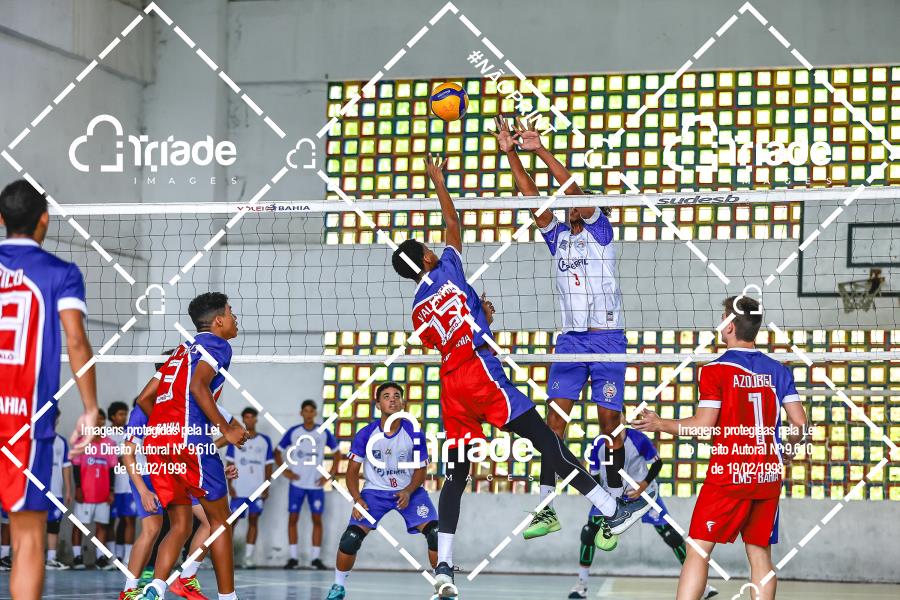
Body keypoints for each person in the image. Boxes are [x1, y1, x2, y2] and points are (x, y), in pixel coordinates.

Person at [390, 155, 650, 598]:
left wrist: (480, 318)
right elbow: (452, 221)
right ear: (429, 256)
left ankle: (444, 567)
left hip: (452, 385)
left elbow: (449, 336)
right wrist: (438, 179)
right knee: (548, 439)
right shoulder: (449, 266)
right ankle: (609, 507)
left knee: (456, 474)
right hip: (483, 376)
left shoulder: (416, 310)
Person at [493, 116, 629, 539]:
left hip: (607, 339)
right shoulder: (558, 238)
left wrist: (540, 149)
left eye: (576, 201)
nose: (570, 205)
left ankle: (613, 502)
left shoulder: (601, 231)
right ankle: (545, 507)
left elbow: (571, 190)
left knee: (610, 424)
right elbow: (531, 196)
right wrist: (512, 154)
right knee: (553, 426)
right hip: (570, 341)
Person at [635, 296, 809, 600]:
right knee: (760, 555)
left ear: (729, 326)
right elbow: (800, 424)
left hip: (729, 474)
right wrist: (787, 452)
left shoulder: (715, 370)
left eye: (722, 317)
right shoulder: (779, 370)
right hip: (767, 474)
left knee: (698, 550)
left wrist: (660, 423)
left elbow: (703, 426)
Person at [0, 179, 99, 599]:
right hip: (25, 422)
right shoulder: (61, 273)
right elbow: (75, 339)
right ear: (44, 219)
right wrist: (90, 408)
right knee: (27, 540)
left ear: (1, 219)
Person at [136, 292, 249, 600]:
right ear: (219, 321)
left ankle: (156, 588)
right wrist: (226, 428)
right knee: (221, 522)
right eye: (231, 312)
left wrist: (169, 428)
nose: (236, 317)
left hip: (158, 442)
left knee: (180, 525)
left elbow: (144, 399)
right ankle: (228, 597)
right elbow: (199, 386)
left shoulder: (181, 350)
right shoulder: (218, 344)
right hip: (188, 440)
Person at [568, 427, 718, 599]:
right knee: (589, 532)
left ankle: (701, 586)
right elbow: (594, 475)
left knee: (671, 535)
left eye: (616, 417)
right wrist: (598, 497)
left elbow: (657, 463)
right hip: (611, 496)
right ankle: (581, 585)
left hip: (643, 494)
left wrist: (644, 485)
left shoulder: (638, 439)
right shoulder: (599, 444)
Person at [325, 381, 438, 600]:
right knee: (350, 539)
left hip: (409, 491)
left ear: (403, 402)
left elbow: (421, 469)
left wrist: (408, 491)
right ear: (378, 404)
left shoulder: (414, 433)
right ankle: (338, 587)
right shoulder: (366, 434)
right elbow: (351, 472)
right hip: (374, 492)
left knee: (436, 533)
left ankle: (442, 587)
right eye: (386, 396)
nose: (392, 400)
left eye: (396, 396)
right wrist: (357, 499)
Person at [119, 398, 240, 599]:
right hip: (147, 475)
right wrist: (143, 491)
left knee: (212, 522)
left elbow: (232, 431)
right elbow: (127, 453)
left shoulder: (189, 402)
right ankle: (129, 590)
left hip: (177, 472)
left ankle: (186, 578)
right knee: (152, 528)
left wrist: (212, 470)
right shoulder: (145, 407)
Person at [275, 400, 342, 570]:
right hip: (297, 483)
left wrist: (330, 474)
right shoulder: (294, 432)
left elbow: (337, 453)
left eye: (311, 411)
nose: (309, 414)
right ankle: (293, 558)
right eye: (306, 410)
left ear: (315, 413)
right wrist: (285, 471)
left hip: (316, 484)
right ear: (301, 413)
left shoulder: (323, 432)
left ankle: (315, 559)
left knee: (317, 519)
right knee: (293, 518)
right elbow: (277, 451)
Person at [225, 407, 274, 569]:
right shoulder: (237, 438)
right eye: (246, 417)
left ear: (256, 419)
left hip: (257, 490)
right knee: (232, 522)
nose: (250, 420)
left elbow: (268, 465)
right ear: (243, 419)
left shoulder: (265, 441)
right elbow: (230, 463)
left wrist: (266, 486)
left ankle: (248, 558)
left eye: (252, 417)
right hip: (239, 488)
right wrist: (230, 485)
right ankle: (227, 557)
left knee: (254, 520)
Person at [70, 408, 118, 570]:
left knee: (102, 525)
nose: (99, 422)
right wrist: (78, 488)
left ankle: (100, 558)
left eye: (101, 419)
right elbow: (75, 467)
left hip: (103, 493)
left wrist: (111, 490)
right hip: (85, 492)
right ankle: (77, 557)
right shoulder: (81, 442)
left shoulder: (109, 443)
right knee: (79, 525)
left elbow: (112, 469)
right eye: (96, 419)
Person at [108, 400, 137, 564]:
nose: (124, 417)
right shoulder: (106, 435)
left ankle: (127, 558)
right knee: (111, 521)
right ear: (112, 416)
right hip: (111, 485)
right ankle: (113, 557)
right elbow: (109, 461)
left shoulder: (130, 432)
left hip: (128, 485)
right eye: (120, 414)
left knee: (129, 520)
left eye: (125, 413)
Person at [46, 413, 73, 570]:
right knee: (34, 525)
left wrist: (68, 489)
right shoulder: (33, 439)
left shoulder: (61, 441)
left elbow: (66, 466)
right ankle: (31, 559)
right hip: (36, 492)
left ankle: (51, 559)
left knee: (53, 525)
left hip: (56, 491)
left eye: (54, 417)